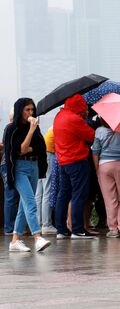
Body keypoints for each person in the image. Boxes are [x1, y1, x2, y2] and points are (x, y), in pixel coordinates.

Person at [3, 98, 51, 252]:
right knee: (30, 202)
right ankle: (37, 237)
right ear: (20, 111)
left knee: (24, 206)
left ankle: (15, 240)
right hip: (19, 168)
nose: (31, 113)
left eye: (32, 110)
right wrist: (30, 132)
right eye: (27, 110)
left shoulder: (36, 128)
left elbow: (40, 147)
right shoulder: (12, 128)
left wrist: (30, 146)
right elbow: (20, 150)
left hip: (34, 165)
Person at [53, 94, 96, 239]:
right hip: (77, 161)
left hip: (63, 161)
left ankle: (61, 230)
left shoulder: (59, 116)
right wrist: (84, 118)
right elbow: (91, 136)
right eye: (84, 107)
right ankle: (77, 230)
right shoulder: (75, 119)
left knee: (63, 195)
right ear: (79, 107)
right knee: (79, 195)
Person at [91, 117, 120, 237]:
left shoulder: (99, 131)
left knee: (110, 200)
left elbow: (95, 152)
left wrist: (97, 169)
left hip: (105, 166)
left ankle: (113, 229)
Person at [34, 126, 57, 235]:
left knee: (39, 192)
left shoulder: (51, 129)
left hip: (40, 155)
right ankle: (46, 224)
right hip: (48, 154)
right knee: (47, 190)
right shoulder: (58, 128)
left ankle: (37, 224)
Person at [2, 110, 20, 236]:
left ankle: (11, 226)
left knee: (11, 196)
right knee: (11, 195)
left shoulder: (8, 127)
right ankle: (9, 227)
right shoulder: (11, 128)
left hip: (6, 164)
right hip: (7, 165)